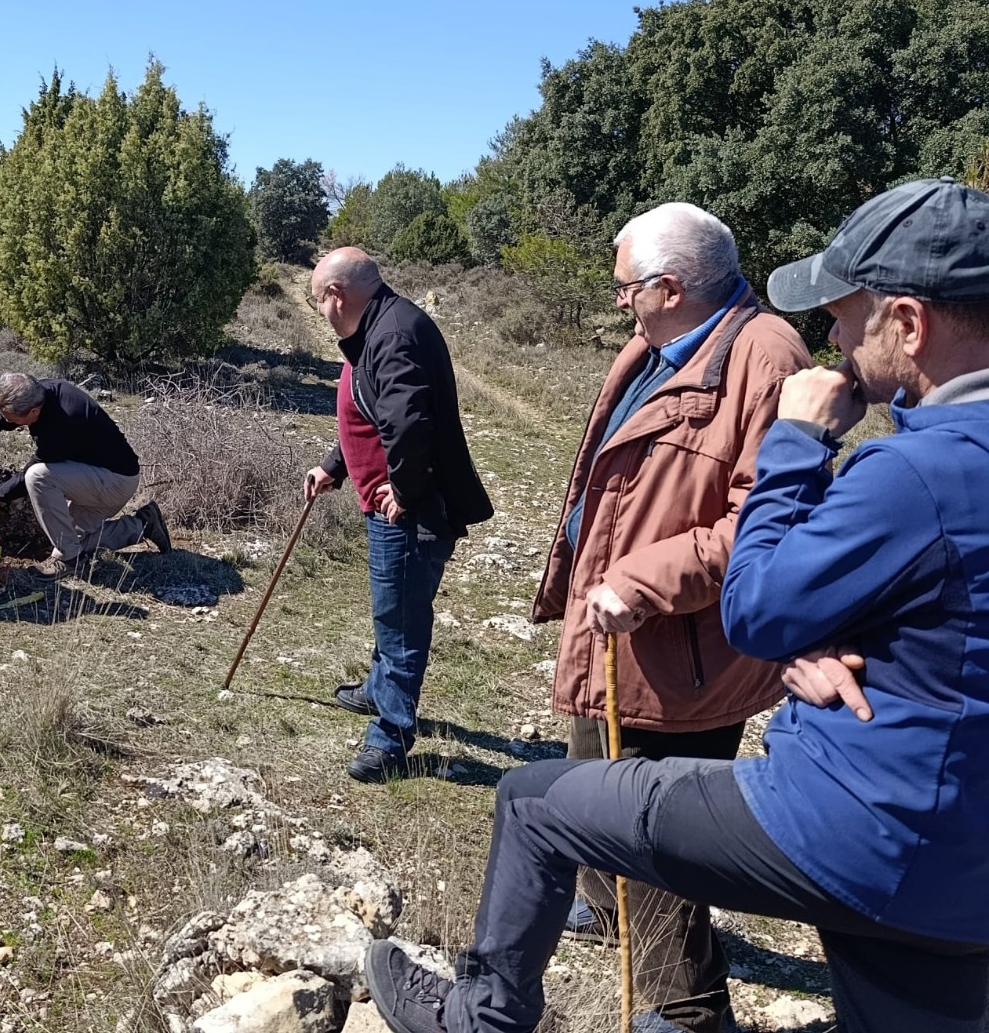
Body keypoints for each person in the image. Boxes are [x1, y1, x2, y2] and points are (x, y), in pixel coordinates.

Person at [363, 177, 989, 1033]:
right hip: (956, 861)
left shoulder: (899, 460)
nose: (832, 338)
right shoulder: (925, 457)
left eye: (845, 315)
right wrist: (840, 637)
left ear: (909, 323)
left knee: (537, 803)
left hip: (860, 821)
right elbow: (937, 594)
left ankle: (489, 1017)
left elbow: (760, 602)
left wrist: (798, 442)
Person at [531, 204, 809, 1031]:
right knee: (591, 771)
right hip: (616, 623)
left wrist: (644, 578)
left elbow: (767, 524)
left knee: (652, 826)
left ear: (672, 286)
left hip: (679, 645)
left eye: (626, 287)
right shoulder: (659, 344)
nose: (618, 300)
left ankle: (686, 1008)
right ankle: (606, 906)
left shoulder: (767, 358)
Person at [303, 247, 492, 784]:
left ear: (337, 295)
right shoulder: (379, 327)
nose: (320, 311)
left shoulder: (392, 336)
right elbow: (369, 412)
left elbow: (408, 424)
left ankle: (390, 736)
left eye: (318, 301)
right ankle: (378, 689)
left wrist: (407, 490)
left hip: (409, 514)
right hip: (389, 505)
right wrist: (334, 466)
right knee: (393, 609)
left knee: (401, 620)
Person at [0, 372, 170, 577]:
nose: (7, 422)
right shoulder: (36, 390)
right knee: (73, 541)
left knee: (37, 476)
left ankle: (70, 561)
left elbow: (32, 468)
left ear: (34, 411)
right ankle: (143, 525)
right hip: (94, 474)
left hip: (114, 481)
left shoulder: (65, 420)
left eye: (13, 419)